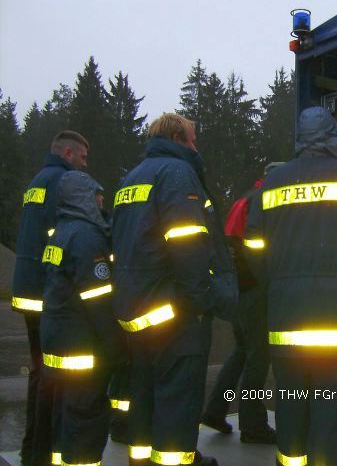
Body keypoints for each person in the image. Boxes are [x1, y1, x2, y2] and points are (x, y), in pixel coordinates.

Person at [244, 106, 337, 466]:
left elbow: (252, 247)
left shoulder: (273, 183)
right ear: (332, 136)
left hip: (285, 318)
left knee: (291, 407)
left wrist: (277, 283)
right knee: (332, 412)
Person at [112, 113, 228, 466]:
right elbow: (187, 243)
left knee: (144, 396)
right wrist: (203, 299)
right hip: (174, 312)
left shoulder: (131, 179)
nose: (196, 147)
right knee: (177, 400)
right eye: (193, 140)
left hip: (136, 311)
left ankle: (142, 459)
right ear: (178, 139)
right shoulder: (178, 174)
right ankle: (179, 459)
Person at [11, 130, 89, 466]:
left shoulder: (37, 183)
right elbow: (72, 233)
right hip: (49, 294)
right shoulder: (63, 182)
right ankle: (43, 453)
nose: (86, 165)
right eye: (83, 157)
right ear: (68, 153)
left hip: (28, 291)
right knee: (53, 379)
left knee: (40, 375)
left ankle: (32, 451)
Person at [39, 171, 124, 466]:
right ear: (82, 198)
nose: (101, 199)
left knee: (65, 414)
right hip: (82, 343)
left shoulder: (61, 232)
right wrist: (116, 344)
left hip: (57, 340)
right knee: (86, 416)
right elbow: (97, 298)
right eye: (96, 194)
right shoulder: (87, 237)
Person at [201, 162, 284, 444]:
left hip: (237, 287)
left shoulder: (244, 198)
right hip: (256, 289)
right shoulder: (267, 201)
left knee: (242, 352)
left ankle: (215, 409)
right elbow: (263, 247)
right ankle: (252, 424)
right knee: (259, 357)